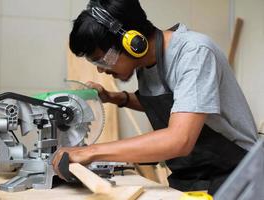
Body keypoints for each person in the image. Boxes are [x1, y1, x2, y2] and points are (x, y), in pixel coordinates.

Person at [52, 0, 259, 194]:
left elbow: (180, 139)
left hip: (237, 177)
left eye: (103, 61)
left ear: (132, 42)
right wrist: (115, 97)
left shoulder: (194, 53)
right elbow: (168, 105)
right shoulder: (146, 64)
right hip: (191, 179)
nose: (101, 71)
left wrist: (91, 152)